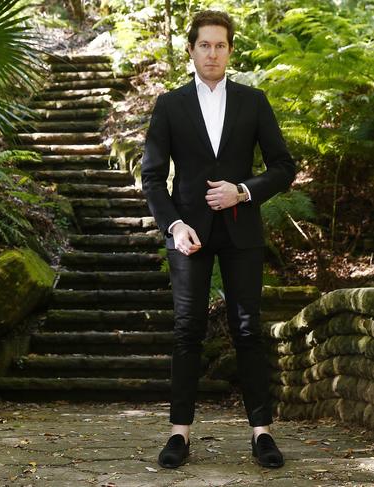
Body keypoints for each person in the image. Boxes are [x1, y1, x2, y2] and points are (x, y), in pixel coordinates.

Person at [141, 10, 296, 469]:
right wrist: (173, 225)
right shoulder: (169, 104)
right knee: (187, 330)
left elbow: (283, 167)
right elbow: (152, 177)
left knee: (248, 329)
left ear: (230, 50)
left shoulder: (254, 101)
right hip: (187, 234)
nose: (212, 52)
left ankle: (262, 433)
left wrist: (243, 190)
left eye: (220, 45)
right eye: (204, 45)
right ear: (190, 49)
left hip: (241, 230)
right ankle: (179, 435)